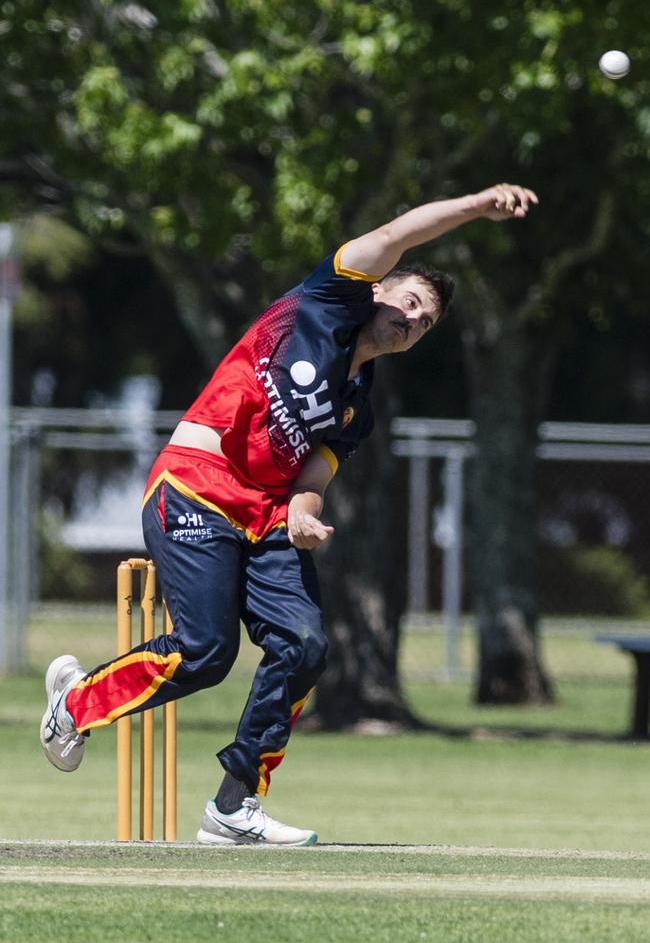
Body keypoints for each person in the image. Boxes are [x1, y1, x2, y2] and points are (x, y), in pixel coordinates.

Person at [40, 181, 538, 846]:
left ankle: (232, 807)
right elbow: (397, 235)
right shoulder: (326, 299)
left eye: (425, 324)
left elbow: (313, 477)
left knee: (304, 647)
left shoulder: (361, 403)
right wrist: (477, 207)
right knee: (207, 653)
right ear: (381, 289)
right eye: (410, 303)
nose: (412, 321)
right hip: (194, 489)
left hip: (266, 516)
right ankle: (76, 706)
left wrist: (304, 515)